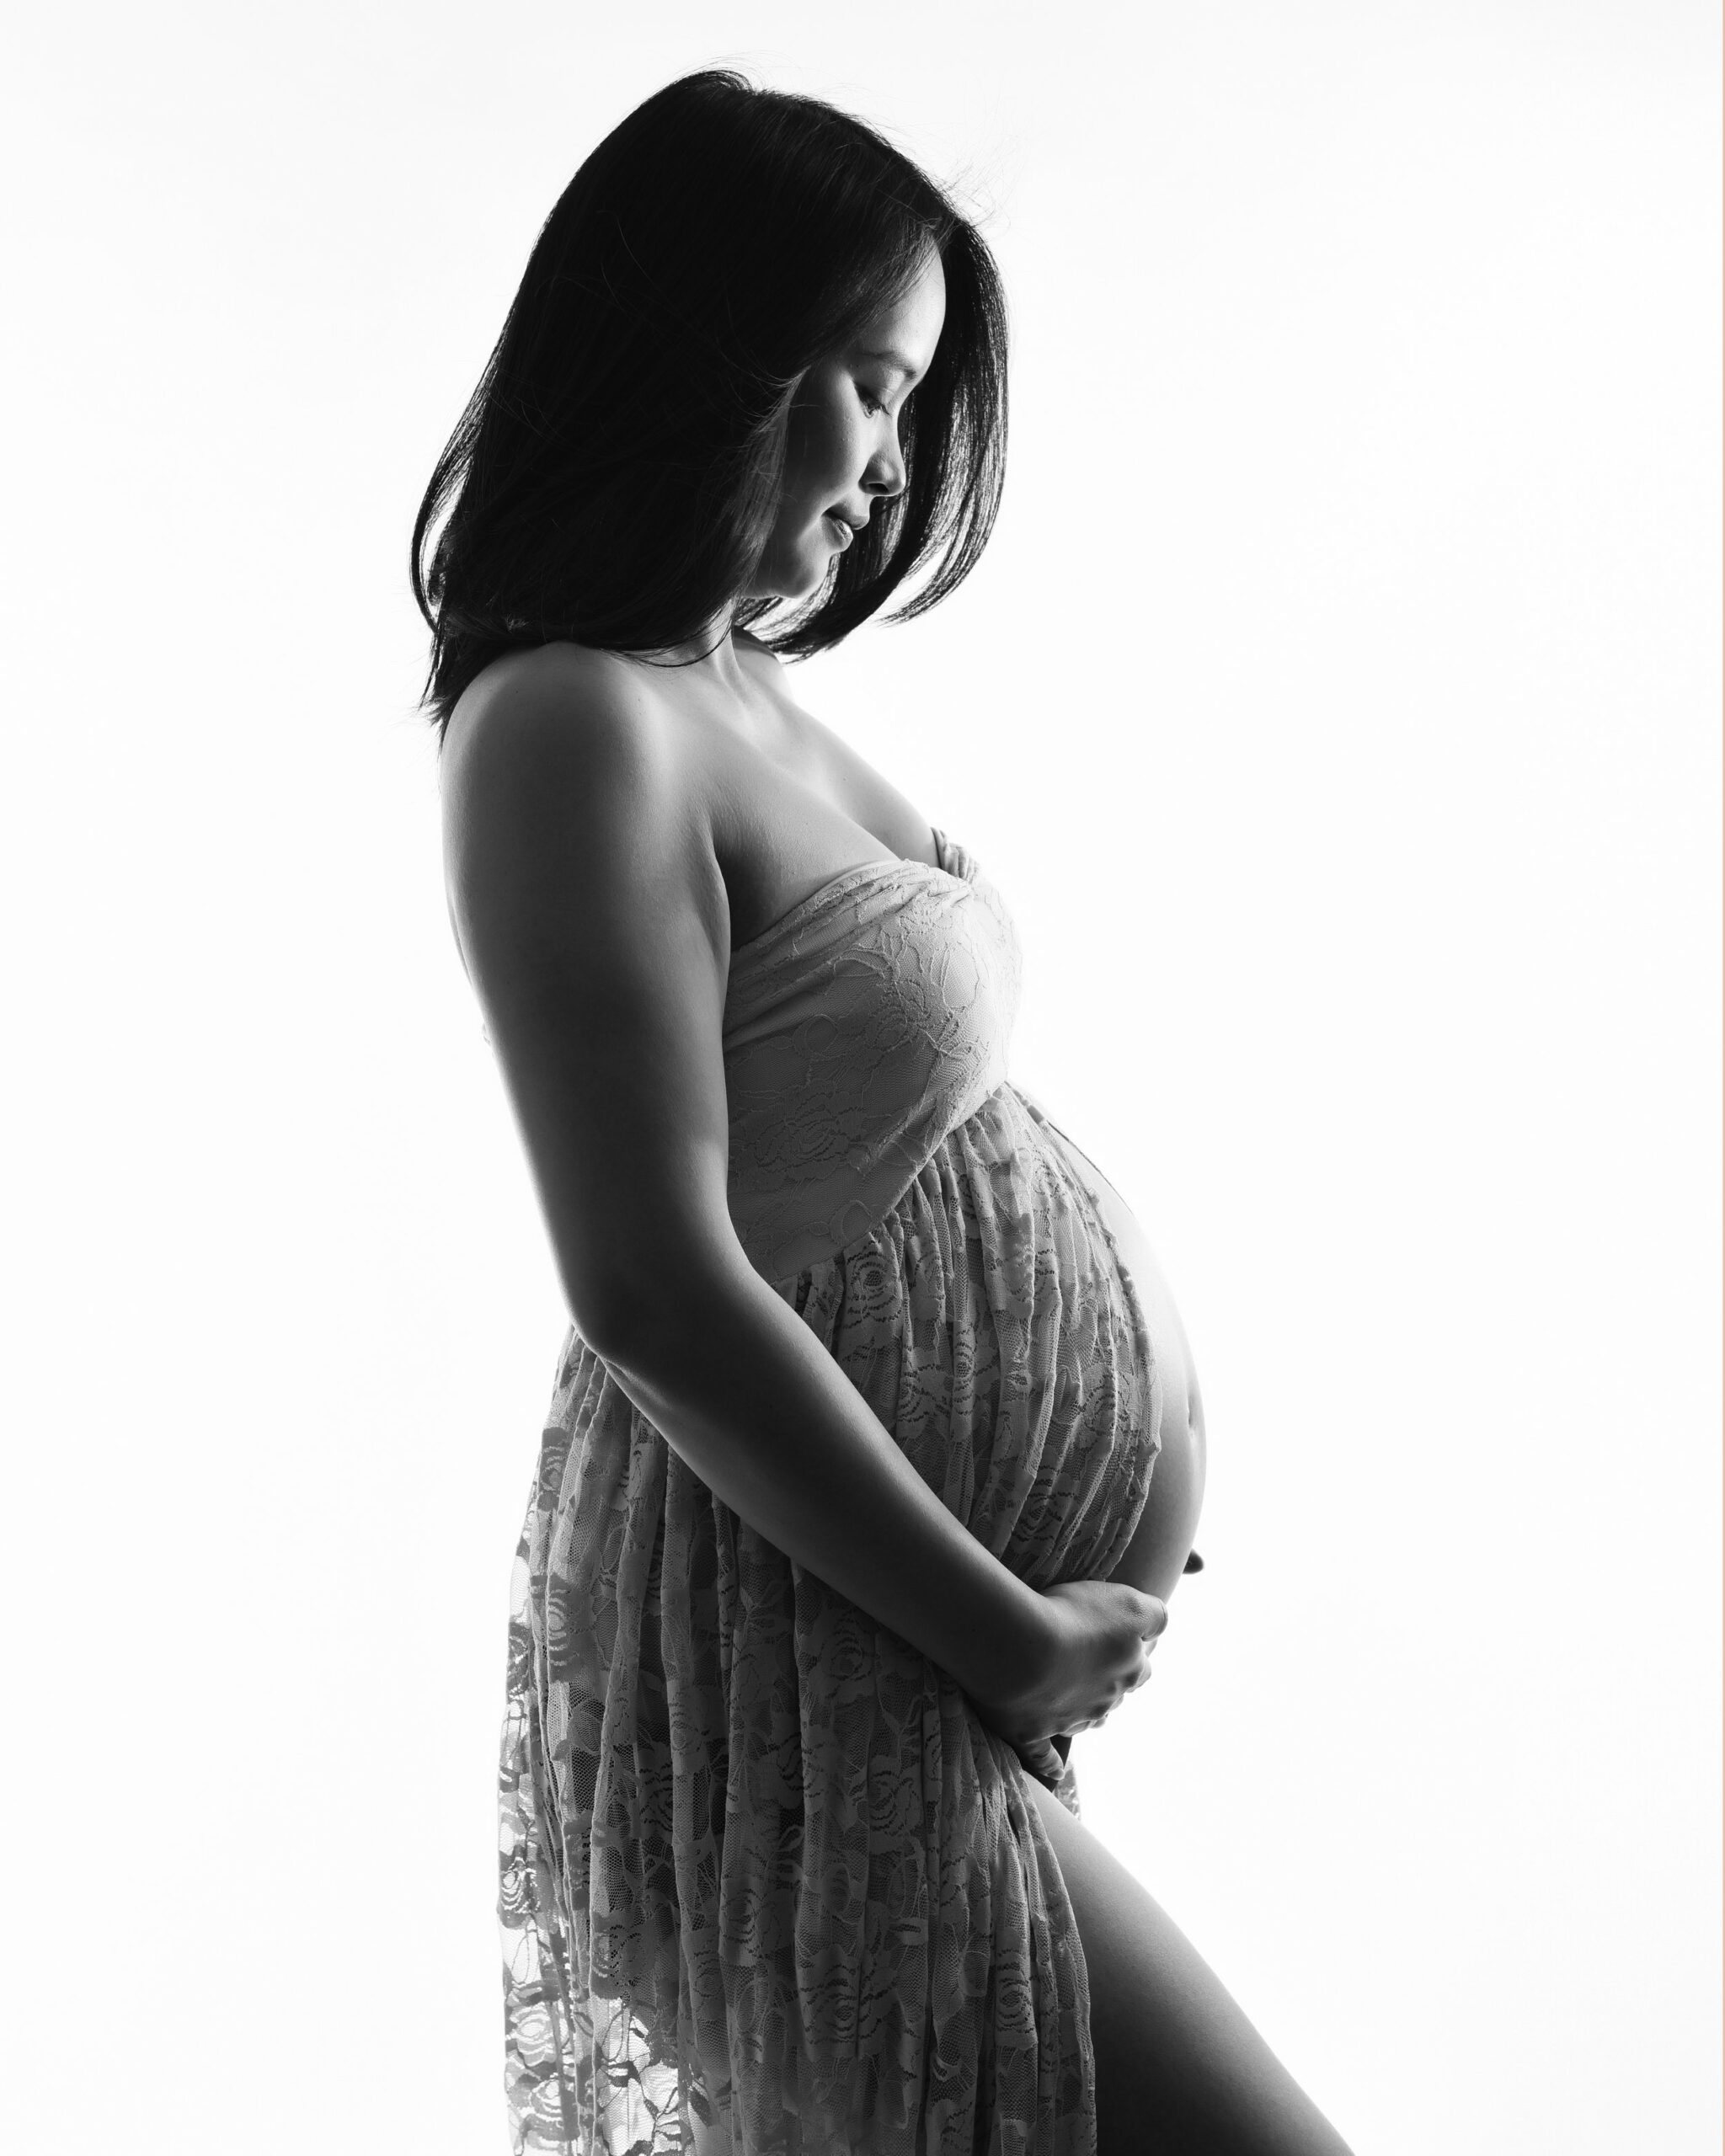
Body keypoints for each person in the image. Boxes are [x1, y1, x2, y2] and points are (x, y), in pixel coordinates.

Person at [415, 67, 1354, 2156]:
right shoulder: (570, 721)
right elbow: (652, 1282)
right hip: (786, 1661)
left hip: (887, 1653)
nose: (890, 455)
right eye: (858, 380)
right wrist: (1003, 1623)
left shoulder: (735, 697)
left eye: (911, 391)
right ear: (699, 359)